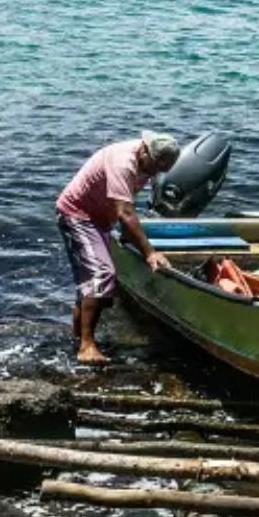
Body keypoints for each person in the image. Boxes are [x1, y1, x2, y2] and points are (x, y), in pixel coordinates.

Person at [56, 132, 183, 364]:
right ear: (145, 151)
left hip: (100, 220)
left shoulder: (145, 162)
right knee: (101, 275)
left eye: (161, 170)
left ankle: (78, 340)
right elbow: (125, 213)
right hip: (78, 216)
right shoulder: (123, 162)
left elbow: (125, 206)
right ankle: (86, 347)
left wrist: (129, 237)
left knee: (89, 284)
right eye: (153, 166)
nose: (154, 173)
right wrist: (149, 252)